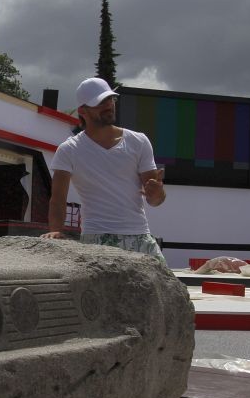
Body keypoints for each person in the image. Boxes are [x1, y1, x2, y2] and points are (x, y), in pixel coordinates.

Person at [41, 77, 167, 266]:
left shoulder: (139, 141)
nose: (108, 105)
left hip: (139, 235)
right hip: (97, 239)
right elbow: (57, 200)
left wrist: (157, 193)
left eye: (110, 99)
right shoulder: (69, 150)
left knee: (165, 284)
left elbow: (155, 200)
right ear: (83, 111)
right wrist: (55, 230)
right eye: (100, 102)